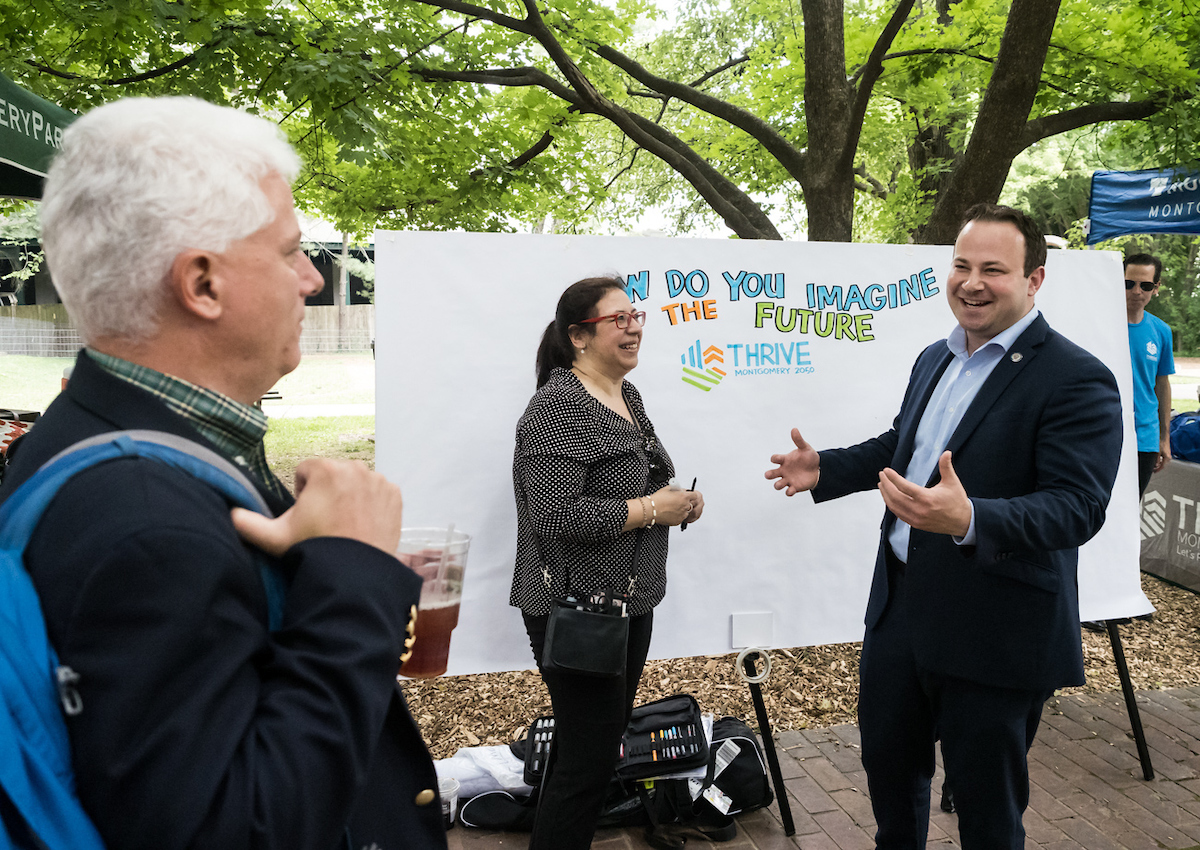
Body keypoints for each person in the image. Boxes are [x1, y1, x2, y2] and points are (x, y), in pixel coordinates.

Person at [0, 97, 447, 850]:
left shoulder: (106, 438)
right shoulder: (144, 522)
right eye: (287, 251)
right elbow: (237, 831)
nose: (310, 278)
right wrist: (355, 576)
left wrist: (325, 569)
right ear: (202, 283)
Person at [765, 204, 1122, 849]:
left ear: (1035, 279)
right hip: (902, 613)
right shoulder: (937, 357)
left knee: (987, 811)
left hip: (995, 629)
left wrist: (973, 518)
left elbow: (1078, 506)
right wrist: (828, 467)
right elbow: (907, 445)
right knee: (890, 783)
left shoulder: (1075, 378)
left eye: (994, 269)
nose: (972, 282)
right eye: (961, 265)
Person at [510, 276, 704, 850]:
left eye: (635, 315)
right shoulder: (558, 407)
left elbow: (639, 478)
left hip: (628, 600)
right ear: (578, 336)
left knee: (592, 747)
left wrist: (678, 503)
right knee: (587, 759)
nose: (634, 326)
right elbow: (553, 515)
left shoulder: (626, 396)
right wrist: (650, 509)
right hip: (576, 608)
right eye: (617, 319)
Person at [1125, 252, 1174, 496]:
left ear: (1156, 288)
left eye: (1145, 285)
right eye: (1128, 284)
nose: (1136, 291)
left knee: (1132, 509)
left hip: (1144, 439)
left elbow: (1161, 384)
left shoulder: (1161, 331)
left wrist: (1164, 439)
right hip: (1102, 434)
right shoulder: (1100, 327)